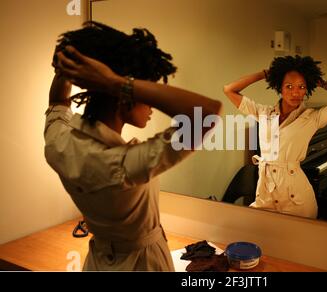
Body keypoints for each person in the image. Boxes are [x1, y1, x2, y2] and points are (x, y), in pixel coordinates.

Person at [45, 21, 222, 271]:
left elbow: (57, 102)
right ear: (125, 99)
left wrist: (68, 66)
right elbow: (206, 115)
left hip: (97, 263)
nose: (150, 105)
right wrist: (117, 83)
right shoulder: (123, 165)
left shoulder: (58, 141)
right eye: (145, 93)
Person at [223, 55, 327, 219]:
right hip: (265, 195)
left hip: (296, 200)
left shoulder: (312, 118)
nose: (296, 92)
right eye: (289, 86)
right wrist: (265, 74)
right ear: (279, 87)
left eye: (301, 87)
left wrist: (325, 84)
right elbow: (229, 89)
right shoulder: (263, 113)